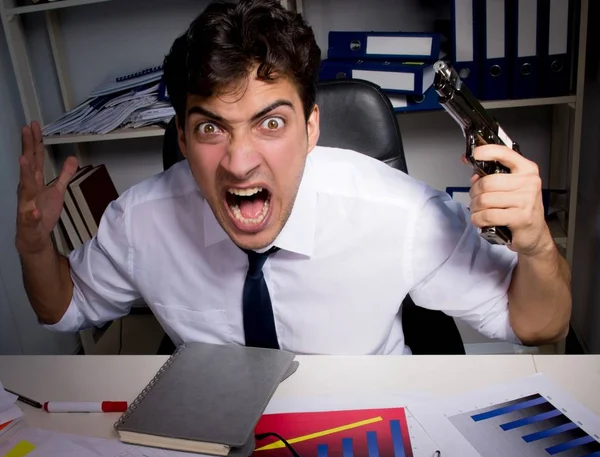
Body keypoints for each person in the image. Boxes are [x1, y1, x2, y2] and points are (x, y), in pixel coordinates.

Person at [15, 0, 571, 355]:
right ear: (182, 139)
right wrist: (36, 249)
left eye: (271, 123)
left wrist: (539, 244)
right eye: (211, 130)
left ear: (311, 129)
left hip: (364, 429)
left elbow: (539, 324)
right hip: (219, 446)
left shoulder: (398, 214)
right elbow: (61, 307)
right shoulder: (142, 222)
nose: (239, 161)